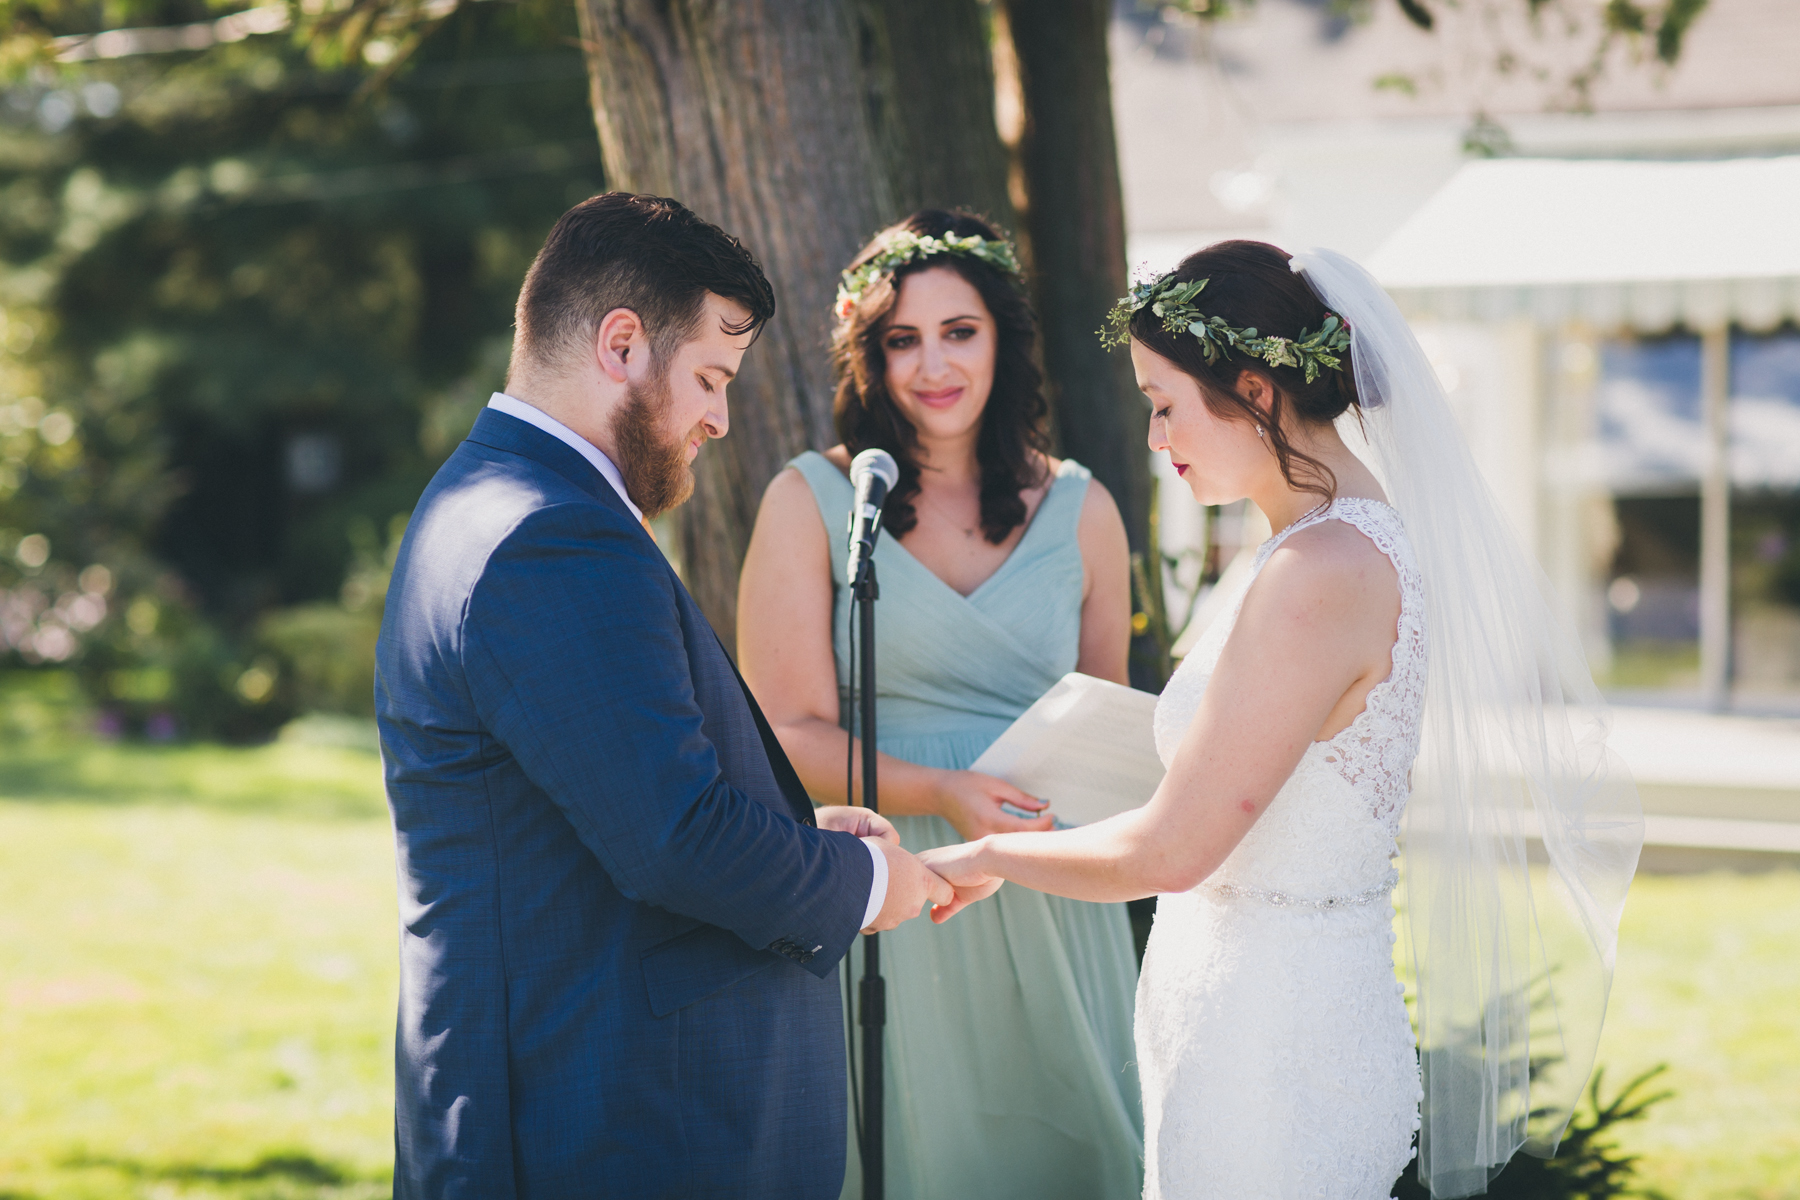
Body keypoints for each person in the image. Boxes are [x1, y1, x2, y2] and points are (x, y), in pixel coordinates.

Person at [921, 242, 1643, 1199]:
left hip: (1271, 1048)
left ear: (1255, 394)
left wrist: (984, 857)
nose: (1154, 436)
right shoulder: (1321, 545)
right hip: (1260, 1010)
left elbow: (1174, 852)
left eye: (1164, 402)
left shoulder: (1317, 574)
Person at [374, 192, 979, 1199]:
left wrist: (798, 829)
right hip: (606, 1121)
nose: (719, 417)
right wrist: (873, 888)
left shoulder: (499, 500)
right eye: (710, 376)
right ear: (622, 344)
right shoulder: (548, 536)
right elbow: (672, 840)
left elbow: (605, 796)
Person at [737, 210, 1145, 1200]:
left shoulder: (1084, 509)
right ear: (868, 354)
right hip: (889, 885)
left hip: (1051, 895)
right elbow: (783, 737)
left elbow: (1113, 721)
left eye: (959, 331)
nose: (934, 365)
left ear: (1002, 335)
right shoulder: (812, 502)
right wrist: (946, 791)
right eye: (902, 339)